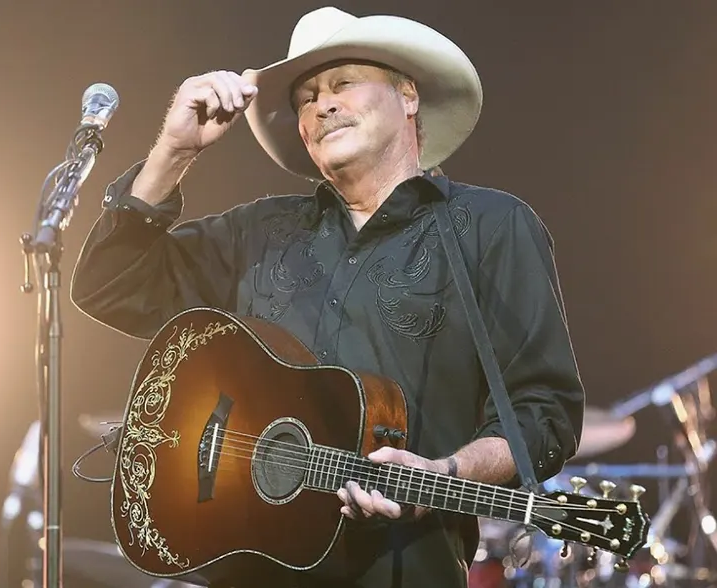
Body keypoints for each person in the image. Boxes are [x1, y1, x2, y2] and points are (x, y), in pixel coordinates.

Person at [70, 6, 585, 588]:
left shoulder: (492, 226)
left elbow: (544, 414)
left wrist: (445, 471)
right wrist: (174, 152)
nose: (322, 105)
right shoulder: (257, 232)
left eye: (344, 83)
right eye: (306, 98)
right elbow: (110, 283)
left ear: (408, 96)